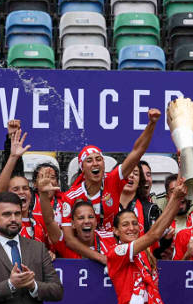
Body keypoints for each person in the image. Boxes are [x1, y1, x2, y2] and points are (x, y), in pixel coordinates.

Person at [60, 108, 160, 252]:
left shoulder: (113, 179)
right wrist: (98, 257)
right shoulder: (70, 197)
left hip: (113, 249)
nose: (95, 163)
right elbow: (68, 239)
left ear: (104, 164)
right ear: (82, 168)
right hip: (84, 251)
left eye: (99, 159)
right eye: (89, 160)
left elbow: (137, 151)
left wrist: (151, 124)